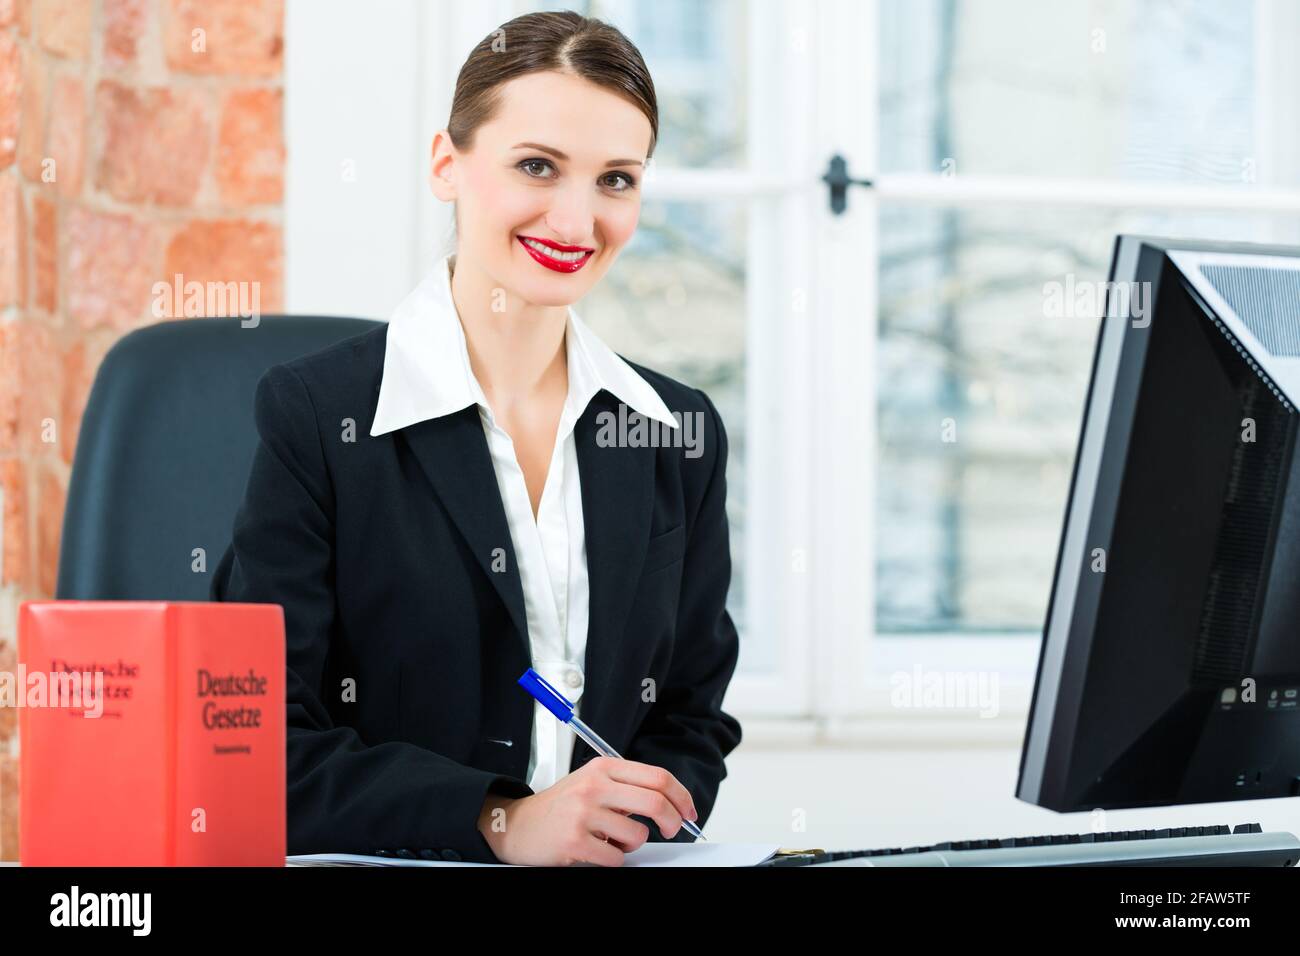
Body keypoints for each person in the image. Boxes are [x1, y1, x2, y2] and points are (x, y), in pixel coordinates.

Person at [211, 9, 742, 867]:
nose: (576, 221)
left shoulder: (675, 433)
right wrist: (503, 822)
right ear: (446, 165)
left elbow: (689, 715)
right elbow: (257, 749)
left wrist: (627, 816)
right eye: (537, 166)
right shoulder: (317, 417)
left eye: (616, 179)